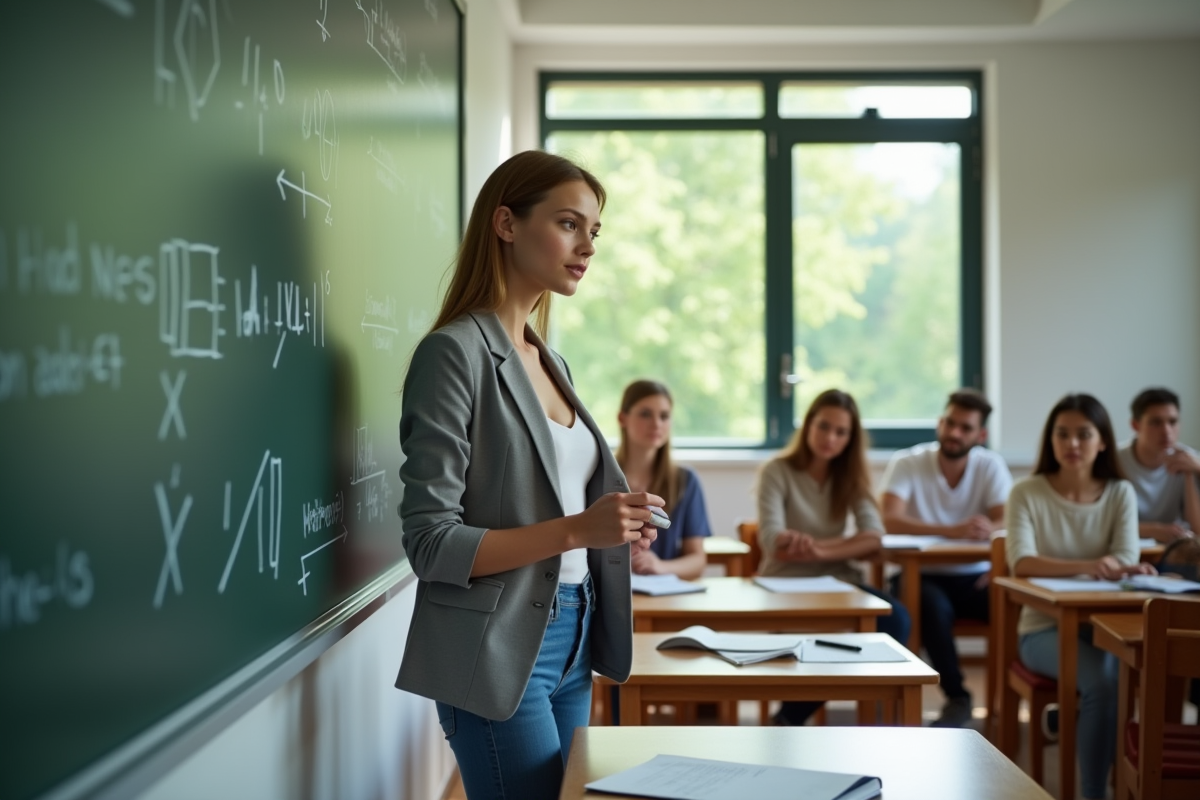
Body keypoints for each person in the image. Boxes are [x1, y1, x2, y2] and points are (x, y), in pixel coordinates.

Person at [394, 151, 661, 800]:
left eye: (594, 231)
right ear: (507, 223)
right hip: (497, 640)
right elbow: (431, 543)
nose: (587, 246)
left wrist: (616, 528)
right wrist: (577, 529)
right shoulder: (453, 353)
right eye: (569, 224)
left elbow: (553, 503)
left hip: (574, 629)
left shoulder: (550, 360)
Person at [1006, 393, 1156, 800]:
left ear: (1103, 441)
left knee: (1129, 672)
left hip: (1103, 625)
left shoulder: (1119, 492)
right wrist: (1093, 564)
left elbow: (1126, 555)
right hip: (1041, 630)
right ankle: (1094, 793)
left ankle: (1086, 736)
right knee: (1106, 685)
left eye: (1084, 434)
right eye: (1062, 434)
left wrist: (1111, 562)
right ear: (1050, 440)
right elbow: (1022, 562)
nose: (1072, 444)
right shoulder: (1026, 492)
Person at [756, 388, 911, 726]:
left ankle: (789, 715)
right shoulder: (777, 471)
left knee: (896, 619)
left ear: (850, 438)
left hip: (840, 583)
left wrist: (820, 550)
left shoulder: (851, 477)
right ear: (809, 424)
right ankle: (792, 715)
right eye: (824, 426)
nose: (830, 438)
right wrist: (845, 545)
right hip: (785, 583)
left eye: (841, 432)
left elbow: (874, 535)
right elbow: (772, 542)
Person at [880, 388, 1011, 728]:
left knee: (1017, 603)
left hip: (977, 576)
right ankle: (958, 697)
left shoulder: (990, 465)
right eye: (950, 423)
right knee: (931, 607)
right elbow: (890, 519)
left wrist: (989, 529)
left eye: (965, 428)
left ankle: (1017, 701)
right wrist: (951, 530)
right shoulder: (908, 461)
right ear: (940, 423)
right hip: (920, 575)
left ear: (980, 435)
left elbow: (1008, 519)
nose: (955, 433)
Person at [616, 380, 712, 580]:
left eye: (664, 416)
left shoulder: (686, 481)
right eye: (645, 414)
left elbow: (697, 560)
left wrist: (660, 566)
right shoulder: (600, 476)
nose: (657, 424)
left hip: (663, 597)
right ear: (622, 418)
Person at [1116, 387, 1200, 543]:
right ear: (1135, 425)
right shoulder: (1115, 460)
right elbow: (1102, 524)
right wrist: (1152, 530)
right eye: (1156, 422)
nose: (1167, 431)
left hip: (1172, 550)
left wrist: (1191, 473)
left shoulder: (1190, 460)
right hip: (1127, 547)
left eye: (1173, 422)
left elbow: (1197, 531)